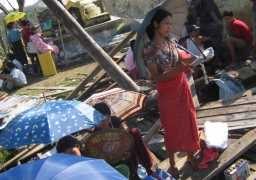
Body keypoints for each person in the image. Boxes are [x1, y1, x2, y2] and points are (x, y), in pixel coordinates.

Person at [142, 9, 202, 177]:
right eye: (166, 24)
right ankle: (173, 163)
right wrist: (179, 69)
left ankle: (190, 156)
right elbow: (158, 77)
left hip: (182, 87)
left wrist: (200, 58)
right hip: (167, 92)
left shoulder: (171, 41)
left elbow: (183, 60)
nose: (169, 27)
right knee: (172, 127)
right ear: (155, 24)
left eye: (170, 24)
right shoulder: (148, 50)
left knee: (189, 121)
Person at [93, 102, 153, 180]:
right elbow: (104, 157)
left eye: (107, 118)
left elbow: (127, 137)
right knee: (126, 154)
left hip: (124, 148)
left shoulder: (114, 121)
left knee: (133, 132)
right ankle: (134, 174)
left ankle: (146, 165)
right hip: (114, 157)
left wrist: (123, 144)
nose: (105, 122)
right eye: (101, 120)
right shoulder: (96, 134)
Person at [56, 135, 130, 179]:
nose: (71, 157)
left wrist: (121, 157)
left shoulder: (91, 153)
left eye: (72, 153)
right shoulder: (67, 170)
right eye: (67, 156)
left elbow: (106, 162)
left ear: (78, 146)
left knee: (123, 168)